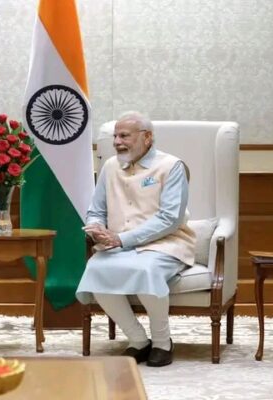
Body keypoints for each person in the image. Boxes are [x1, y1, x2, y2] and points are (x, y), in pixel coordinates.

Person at [76, 111, 196, 367]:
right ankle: (138, 340)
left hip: (166, 243)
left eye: (124, 136)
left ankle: (163, 342)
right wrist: (95, 227)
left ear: (147, 137)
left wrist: (122, 239)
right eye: (115, 136)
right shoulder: (110, 166)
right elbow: (96, 209)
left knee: (145, 269)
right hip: (118, 244)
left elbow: (169, 219)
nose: (117, 142)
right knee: (96, 269)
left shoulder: (171, 166)